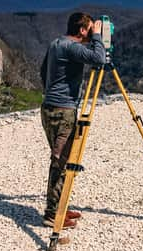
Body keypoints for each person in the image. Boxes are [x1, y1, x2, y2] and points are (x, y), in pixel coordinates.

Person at [40, 12, 106, 229]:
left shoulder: (55, 44)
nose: (92, 32)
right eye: (90, 28)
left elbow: (43, 71)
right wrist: (98, 38)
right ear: (82, 30)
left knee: (64, 159)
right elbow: (99, 59)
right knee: (60, 162)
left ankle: (61, 206)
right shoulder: (71, 47)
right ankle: (52, 214)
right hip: (63, 110)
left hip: (50, 107)